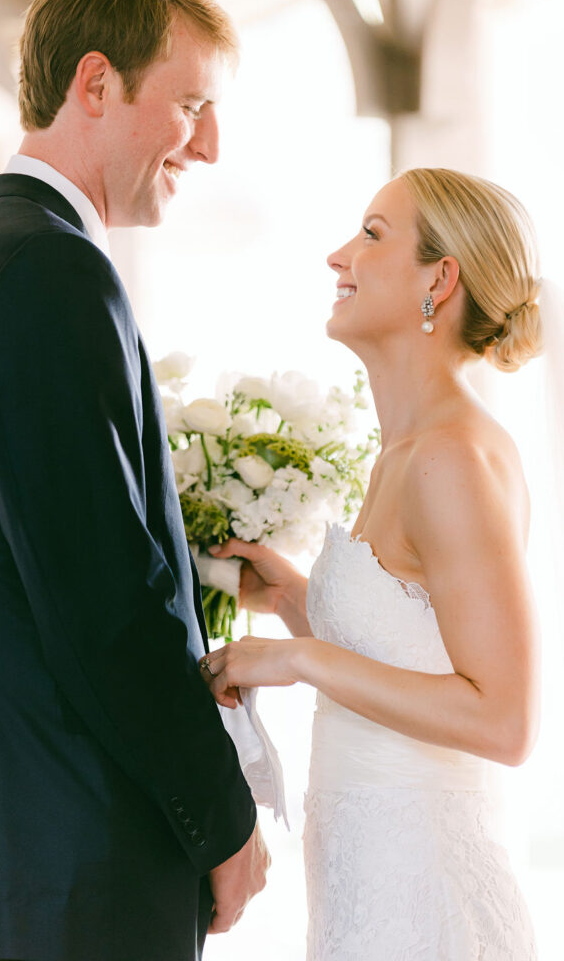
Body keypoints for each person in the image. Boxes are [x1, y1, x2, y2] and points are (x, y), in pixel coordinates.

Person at [0, 0, 269, 961]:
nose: (212, 146)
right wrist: (220, 820)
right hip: (61, 854)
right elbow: (100, 602)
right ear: (95, 82)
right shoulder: (49, 273)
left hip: (3, 846)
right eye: (192, 105)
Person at [202, 167, 542, 959]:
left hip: (421, 897)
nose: (337, 256)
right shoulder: (404, 452)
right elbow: (415, 648)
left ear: (440, 279)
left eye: (371, 234)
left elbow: (504, 719)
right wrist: (292, 599)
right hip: (363, 884)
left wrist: (297, 657)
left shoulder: (450, 458)